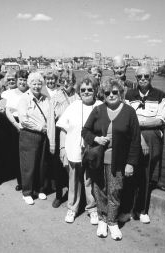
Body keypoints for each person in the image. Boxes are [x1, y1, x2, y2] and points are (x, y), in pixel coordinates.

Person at [82, 79, 141, 240]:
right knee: (99, 190)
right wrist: (96, 139)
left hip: (119, 161)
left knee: (115, 191)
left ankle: (112, 221)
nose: (111, 95)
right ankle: (102, 219)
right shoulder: (98, 110)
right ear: (103, 94)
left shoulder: (129, 112)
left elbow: (135, 140)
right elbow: (85, 131)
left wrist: (131, 163)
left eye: (115, 92)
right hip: (99, 160)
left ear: (121, 93)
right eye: (107, 93)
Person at [125, 66, 165, 224]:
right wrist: (139, 126)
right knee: (130, 174)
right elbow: (127, 119)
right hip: (135, 138)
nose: (143, 79)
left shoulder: (160, 95)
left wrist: (139, 123)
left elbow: (160, 120)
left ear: (152, 77)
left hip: (151, 138)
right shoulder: (129, 95)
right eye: (140, 76)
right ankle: (129, 208)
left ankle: (142, 209)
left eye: (146, 76)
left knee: (145, 173)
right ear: (136, 78)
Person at [56, 75, 101, 224]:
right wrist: (62, 148)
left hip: (92, 151)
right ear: (79, 91)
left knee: (90, 180)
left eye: (90, 89)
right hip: (73, 149)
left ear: (95, 90)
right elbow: (63, 128)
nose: (86, 92)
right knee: (73, 181)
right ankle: (72, 208)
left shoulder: (101, 106)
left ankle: (92, 208)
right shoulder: (73, 105)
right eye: (83, 89)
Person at [17, 72, 55, 205]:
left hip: (44, 135)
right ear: (29, 84)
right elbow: (23, 120)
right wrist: (40, 127)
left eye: (39, 83)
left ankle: (40, 189)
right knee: (29, 164)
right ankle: (27, 192)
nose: (37, 86)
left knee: (42, 163)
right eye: (34, 83)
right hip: (29, 135)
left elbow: (51, 118)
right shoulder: (24, 98)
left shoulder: (46, 99)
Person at [49, 68, 79, 208]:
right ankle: (59, 195)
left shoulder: (77, 96)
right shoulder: (55, 97)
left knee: (73, 164)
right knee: (58, 166)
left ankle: (75, 194)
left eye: (69, 81)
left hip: (73, 134)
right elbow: (51, 120)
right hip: (59, 132)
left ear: (73, 82)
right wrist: (52, 141)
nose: (66, 84)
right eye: (63, 81)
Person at [2, 69, 29, 191]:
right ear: (17, 80)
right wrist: (16, 124)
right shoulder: (9, 93)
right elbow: (6, 109)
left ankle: (27, 180)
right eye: (20, 80)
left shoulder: (30, 93)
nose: (22, 82)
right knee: (15, 154)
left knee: (26, 155)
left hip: (27, 124)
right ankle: (20, 180)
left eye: (25, 80)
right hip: (12, 124)